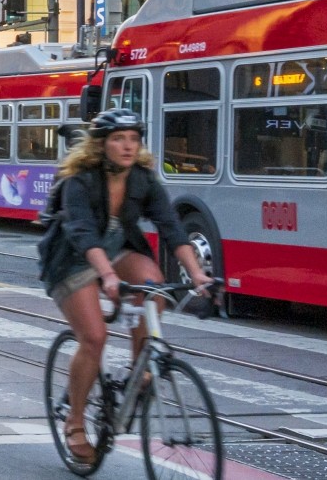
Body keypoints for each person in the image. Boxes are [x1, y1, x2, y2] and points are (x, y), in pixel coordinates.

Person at [38, 108, 211, 466]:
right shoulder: (79, 181)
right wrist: (108, 276)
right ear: (101, 145)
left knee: (153, 283)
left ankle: (140, 368)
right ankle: (74, 422)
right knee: (95, 337)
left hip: (117, 250)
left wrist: (197, 273)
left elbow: (172, 228)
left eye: (134, 139)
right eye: (119, 139)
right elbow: (82, 232)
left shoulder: (142, 180)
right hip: (71, 258)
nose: (128, 146)